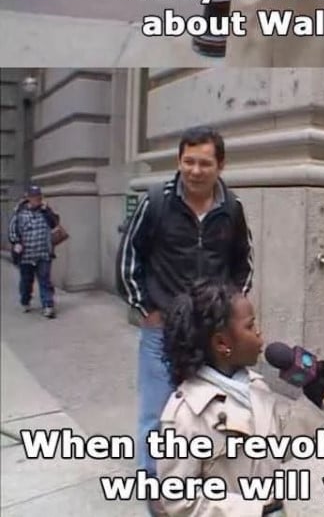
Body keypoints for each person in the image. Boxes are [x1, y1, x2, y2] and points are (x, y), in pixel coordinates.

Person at [117, 126, 254, 483]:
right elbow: (129, 257)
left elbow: (243, 263)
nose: (195, 171)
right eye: (188, 161)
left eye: (204, 163)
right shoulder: (156, 202)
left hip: (210, 330)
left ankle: (201, 471)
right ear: (179, 161)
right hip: (161, 329)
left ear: (220, 166)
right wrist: (145, 309)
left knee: (207, 404)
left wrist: (228, 312)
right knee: (157, 409)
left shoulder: (232, 208)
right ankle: (153, 481)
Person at [157, 279, 324, 516]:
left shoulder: (256, 387)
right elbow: (178, 500)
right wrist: (255, 509)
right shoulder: (186, 415)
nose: (259, 333)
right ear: (222, 343)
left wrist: (312, 401)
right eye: (250, 326)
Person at [8, 185, 60, 318]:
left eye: (38, 196)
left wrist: (47, 211)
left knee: (45, 280)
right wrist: (16, 242)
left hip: (44, 253)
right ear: (28, 197)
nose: (36, 199)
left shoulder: (46, 210)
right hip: (26, 255)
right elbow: (12, 229)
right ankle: (25, 301)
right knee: (26, 281)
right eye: (33, 196)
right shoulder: (19, 212)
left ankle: (48, 305)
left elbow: (55, 224)